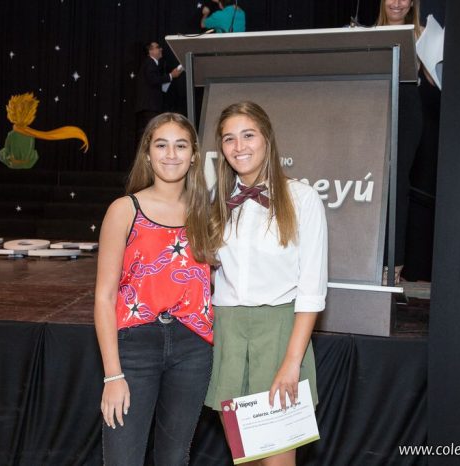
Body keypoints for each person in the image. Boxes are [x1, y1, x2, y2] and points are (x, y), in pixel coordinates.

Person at [204, 101, 328, 466]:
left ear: (267, 139)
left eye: (248, 135)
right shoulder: (216, 203)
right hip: (229, 335)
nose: (239, 146)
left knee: (276, 462)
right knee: (246, 460)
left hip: (280, 335)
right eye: (229, 138)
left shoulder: (302, 198)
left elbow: (311, 291)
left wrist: (291, 363)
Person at [94, 113, 214, 466]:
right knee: (123, 459)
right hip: (134, 346)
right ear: (147, 154)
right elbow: (103, 297)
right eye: (161, 145)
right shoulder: (124, 209)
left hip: (193, 348)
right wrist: (113, 374)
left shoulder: (206, 213)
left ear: (194, 155)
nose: (171, 154)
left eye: (181, 145)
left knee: (174, 458)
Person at [376, 0, 424, 284]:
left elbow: (438, 82)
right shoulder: (367, 34)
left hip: (406, 109)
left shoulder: (423, 35)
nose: (397, 3)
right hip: (372, 106)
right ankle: (364, 261)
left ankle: (391, 266)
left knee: (397, 186)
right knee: (370, 184)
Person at [135, 42, 183, 148]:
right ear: (150, 51)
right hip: (149, 105)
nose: (161, 49)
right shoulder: (150, 62)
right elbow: (153, 80)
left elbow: (155, 83)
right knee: (150, 133)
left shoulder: (152, 64)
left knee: (150, 132)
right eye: (158, 47)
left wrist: (170, 77)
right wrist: (171, 76)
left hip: (150, 106)